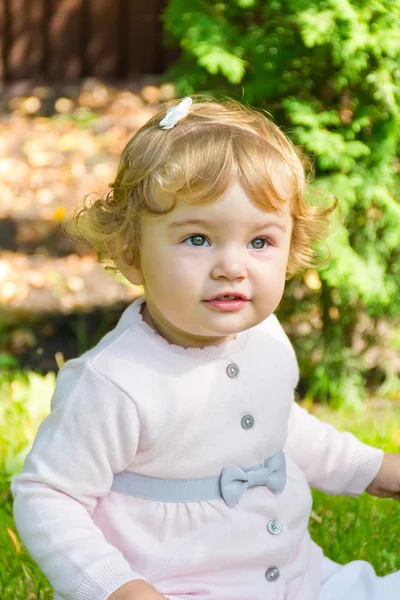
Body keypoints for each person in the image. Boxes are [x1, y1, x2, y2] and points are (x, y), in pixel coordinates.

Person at [11, 96, 400, 600]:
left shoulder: (266, 337)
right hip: (174, 588)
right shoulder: (115, 383)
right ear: (132, 255)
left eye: (260, 242)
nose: (231, 267)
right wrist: (119, 587)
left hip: (298, 577)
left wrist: (369, 468)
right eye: (197, 239)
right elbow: (48, 495)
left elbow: (277, 429)